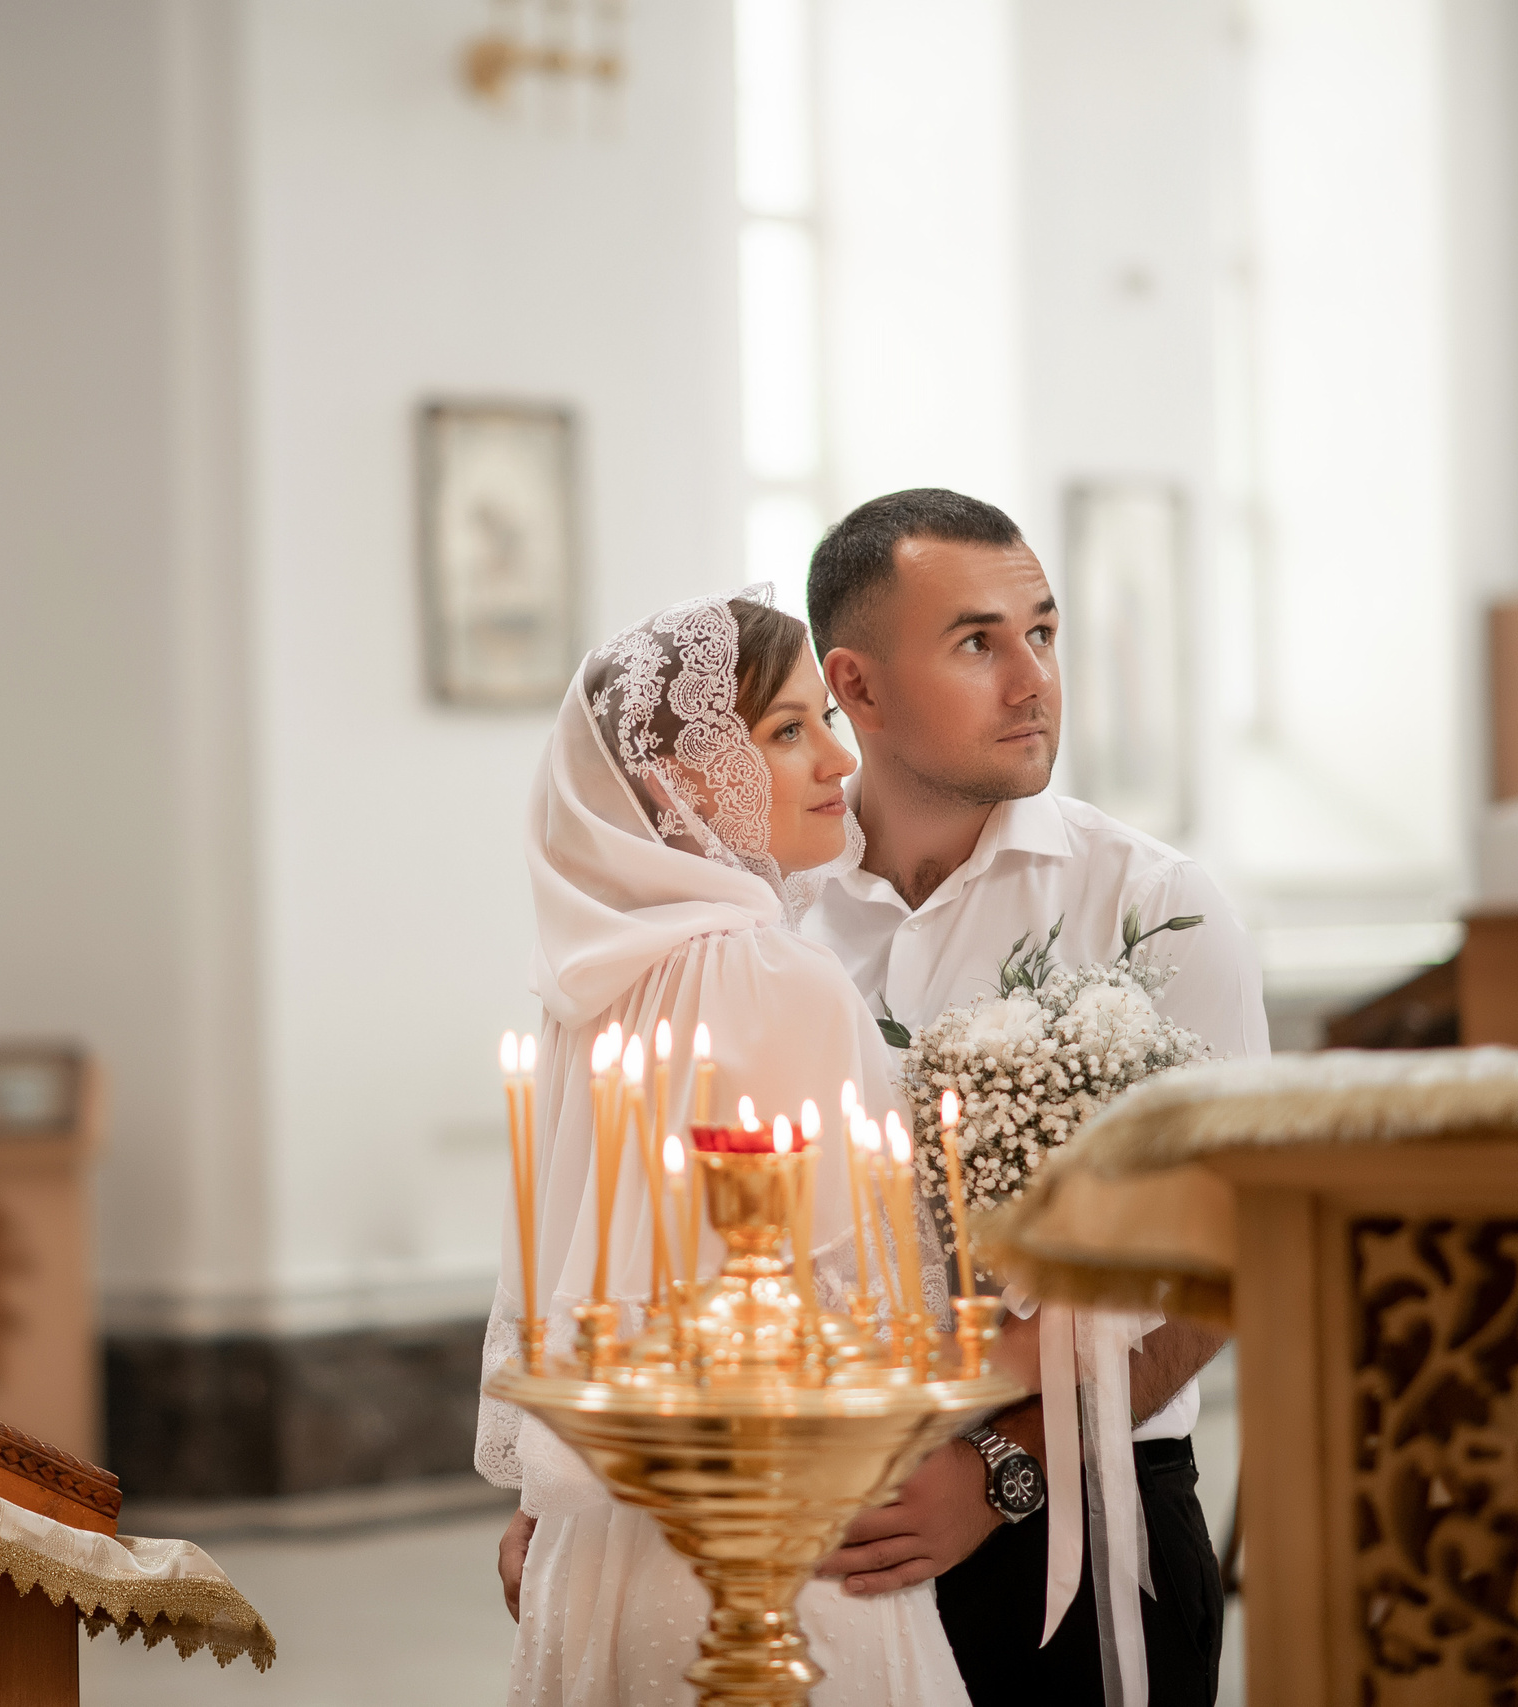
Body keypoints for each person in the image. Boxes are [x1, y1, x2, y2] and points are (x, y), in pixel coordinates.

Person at [798, 488, 1269, 1706]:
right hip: (815, 1538)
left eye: (1043, 633)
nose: (1033, 680)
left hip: (1095, 1517)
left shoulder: (1153, 908)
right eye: (977, 642)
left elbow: (1232, 1256)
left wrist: (1008, 1470)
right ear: (854, 686)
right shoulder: (767, 916)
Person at [481, 587, 972, 1706]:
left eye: (825, 724)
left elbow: (571, 1280)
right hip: (776, 1532)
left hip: (599, 1538)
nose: (837, 763)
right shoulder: (767, 973)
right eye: (787, 731)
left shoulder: (586, 987)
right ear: (674, 779)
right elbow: (853, 1293)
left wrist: (540, 1497)